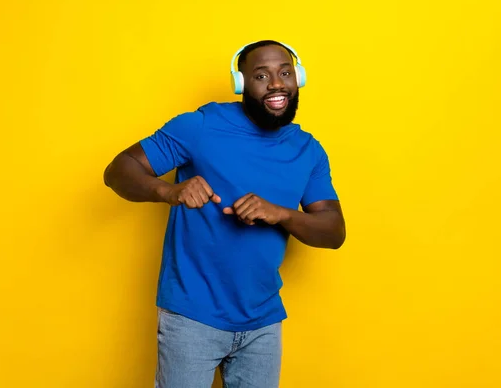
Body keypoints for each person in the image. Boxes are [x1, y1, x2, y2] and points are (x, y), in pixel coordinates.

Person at [103, 40, 346, 388]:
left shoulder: (308, 150)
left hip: (263, 323)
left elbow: (334, 231)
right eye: (261, 75)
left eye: (285, 72)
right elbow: (118, 171)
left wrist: (280, 214)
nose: (276, 83)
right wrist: (169, 191)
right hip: (192, 317)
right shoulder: (200, 127)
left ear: (298, 79)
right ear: (241, 83)